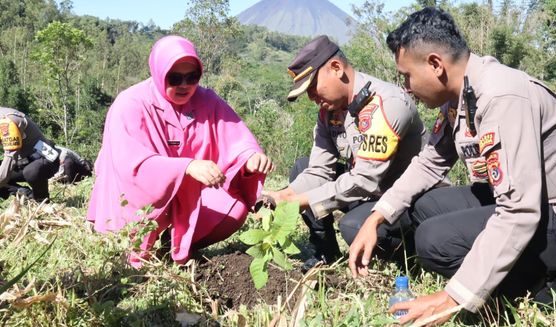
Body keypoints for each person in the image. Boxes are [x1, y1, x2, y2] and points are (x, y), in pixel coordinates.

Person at [348, 7, 556, 327]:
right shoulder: (460, 96)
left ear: (435, 64)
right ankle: (518, 274)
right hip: (536, 204)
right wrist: (377, 216)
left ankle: (534, 290)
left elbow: (519, 212)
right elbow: (430, 162)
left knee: (435, 241)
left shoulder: (501, 94)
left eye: (407, 76)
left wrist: (453, 296)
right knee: (427, 207)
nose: (406, 87)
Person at [87, 35, 273, 268]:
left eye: (192, 77)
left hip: (184, 197)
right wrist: (186, 167)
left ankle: (173, 244)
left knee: (233, 208)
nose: (185, 85)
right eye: (174, 78)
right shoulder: (130, 104)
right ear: (158, 73)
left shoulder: (207, 101)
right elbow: (131, 168)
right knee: (128, 257)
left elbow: (236, 137)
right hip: (137, 202)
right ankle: (136, 246)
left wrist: (250, 159)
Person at [263, 35, 425, 271]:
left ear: (336, 68)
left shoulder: (386, 102)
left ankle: (410, 258)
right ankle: (325, 253)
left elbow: (364, 180)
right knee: (302, 168)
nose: (311, 97)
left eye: (312, 87)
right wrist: (280, 196)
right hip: (370, 193)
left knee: (351, 226)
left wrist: (293, 202)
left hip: (406, 200)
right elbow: (319, 171)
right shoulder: (328, 113)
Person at [0, 107, 60, 202]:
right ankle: (26, 195)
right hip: (22, 162)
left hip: (46, 156)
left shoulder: (6, 121)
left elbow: (10, 157)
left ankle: (41, 199)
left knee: (31, 171)